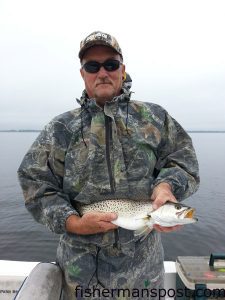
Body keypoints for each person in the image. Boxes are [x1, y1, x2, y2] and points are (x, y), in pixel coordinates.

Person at [18, 31, 200, 299]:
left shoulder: (155, 117)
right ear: (83, 74)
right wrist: (73, 222)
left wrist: (166, 186)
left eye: (111, 64)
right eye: (93, 66)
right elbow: (35, 182)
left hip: (144, 277)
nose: (102, 72)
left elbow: (183, 160)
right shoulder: (60, 129)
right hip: (81, 278)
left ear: (122, 70)